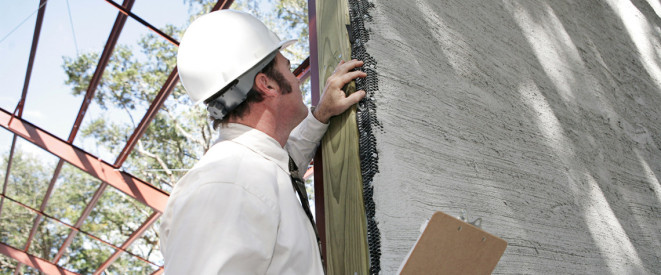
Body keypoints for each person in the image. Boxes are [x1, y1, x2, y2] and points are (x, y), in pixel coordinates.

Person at [159, 9, 366, 274]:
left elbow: (284, 165)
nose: (297, 79)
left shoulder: (250, 171)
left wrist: (321, 114)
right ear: (267, 85)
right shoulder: (227, 184)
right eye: (289, 68)